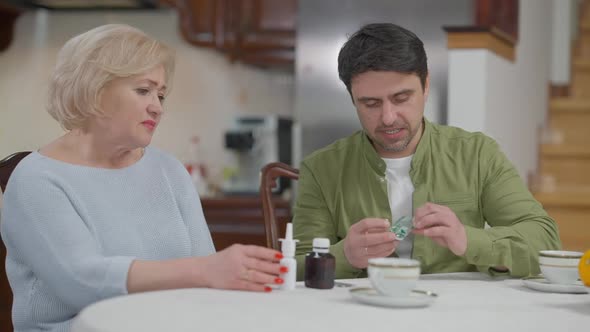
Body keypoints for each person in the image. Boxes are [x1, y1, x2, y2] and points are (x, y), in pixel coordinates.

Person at [0, 24, 285, 332]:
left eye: (161, 95)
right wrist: (205, 270)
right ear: (94, 89)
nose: (157, 107)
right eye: (143, 90)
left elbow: (207, 276)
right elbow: (81, 282)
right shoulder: (36, 180)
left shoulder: (169, 170)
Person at [292, 23, 561, 280]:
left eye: (401, 98)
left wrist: (468, 240)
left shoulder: (477, 154)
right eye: (370, 103)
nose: (388, 117)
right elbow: (297, 269)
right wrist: (344, 256)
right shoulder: (321, 169)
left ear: (426, 85)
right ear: (352, 98)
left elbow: (545, 242)